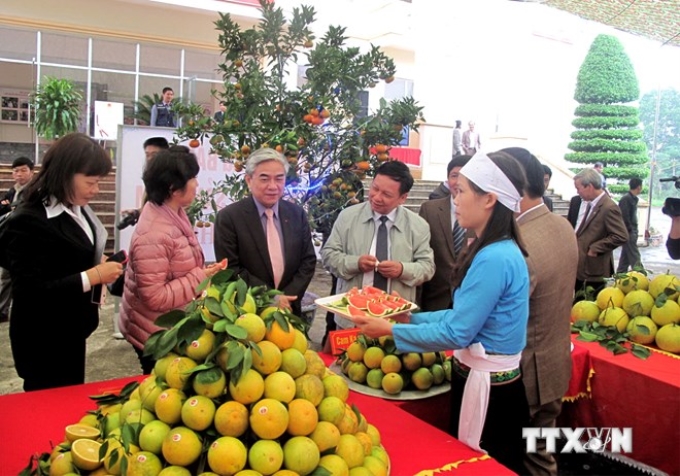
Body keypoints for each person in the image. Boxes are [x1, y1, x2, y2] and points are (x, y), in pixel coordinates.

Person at [349, 151, 530, 473]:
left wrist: (390, 331)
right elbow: (462, 317)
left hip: (489, 388)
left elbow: (458, 332)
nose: (454, 199)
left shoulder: (494, 257)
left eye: (461, 191)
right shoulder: (493, 248)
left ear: (488, 199)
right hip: (481, 377)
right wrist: (410, 318)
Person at [0, 133, 123, 391]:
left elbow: (71, 253)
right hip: (43, 338)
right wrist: (94, 275)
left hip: (72, 330)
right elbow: (31, 291)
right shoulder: (29, 220)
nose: (96, 190)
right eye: (90, 182)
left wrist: (95, 260)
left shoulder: (75, 206)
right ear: (65, 174)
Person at [503, 147, 578, 476]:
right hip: (554, 365)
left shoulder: (519, 245)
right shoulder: (561, 226)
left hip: (525, 376)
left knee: (516, 460)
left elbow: (495, 319)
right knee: (541, 453)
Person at [120, 146, 224, 374]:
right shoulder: (154, 235)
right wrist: (199, 276)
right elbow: (154, 297)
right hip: (155, 333)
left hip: (167, 325)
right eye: (192, 178)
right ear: (173, 188)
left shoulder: (170, 211)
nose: (197, 184)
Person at [321, 160, 435, 330]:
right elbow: (329, 255)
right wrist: (355, 263)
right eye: (375, 188)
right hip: (351, 319)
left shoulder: (418, 226)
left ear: (403, 198)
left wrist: (402, 269)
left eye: (387, 195)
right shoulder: (348, 217)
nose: (376, 197)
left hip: (395, 322)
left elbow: (427, 267)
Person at [214, 148, 317, 317]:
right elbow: (231, 269)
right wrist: (271, 297)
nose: (273, 186)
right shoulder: (230, 218)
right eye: (264, 179)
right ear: (249, 180)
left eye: (279, 179)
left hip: (290, 309)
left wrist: (287, 297)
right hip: (248, 311)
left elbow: (308, 260)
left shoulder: (296, 214)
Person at [418, 155, 471, 311]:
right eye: (454, 176)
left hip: (468, 301)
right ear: (447, 179)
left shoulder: (484, 214)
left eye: (465, 175)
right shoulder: (430, 209)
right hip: (434, 299)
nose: (459, 181)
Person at [571, 168, 628, 296]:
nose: (577, 192)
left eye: (579, 188)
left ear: (589, 186)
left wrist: (595, 248)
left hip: (594, 270)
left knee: (588, 308)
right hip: (583, 268)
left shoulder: (609, 207)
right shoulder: (591, 204)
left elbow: (621, 236)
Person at [0, 156, 35, 323]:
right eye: (16, 171)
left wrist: (12, 209)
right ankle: (2, 310)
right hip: (11, 241)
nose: (19, 174)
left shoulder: (36, 190)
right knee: (5, 276)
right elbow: (3, 209)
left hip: (29, 242)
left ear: (31, 171)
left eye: (23, 170)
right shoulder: (12, 191)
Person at [118, 136, 170, 230]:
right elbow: (149, 207)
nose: (150, 159)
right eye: (147, 155)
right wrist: (136, 213)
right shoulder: (150, 177)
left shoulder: (173, 179)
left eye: (154, 154)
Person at [617, 178, 643, 273]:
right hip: (628, 231)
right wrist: (629, 230)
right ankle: (641, 274)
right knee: (634, 255)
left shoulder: (633, 198)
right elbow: (624, 216)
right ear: (639, 187)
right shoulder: (626, 199)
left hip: (632, 230)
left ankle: (620, 275)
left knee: (625, 257)